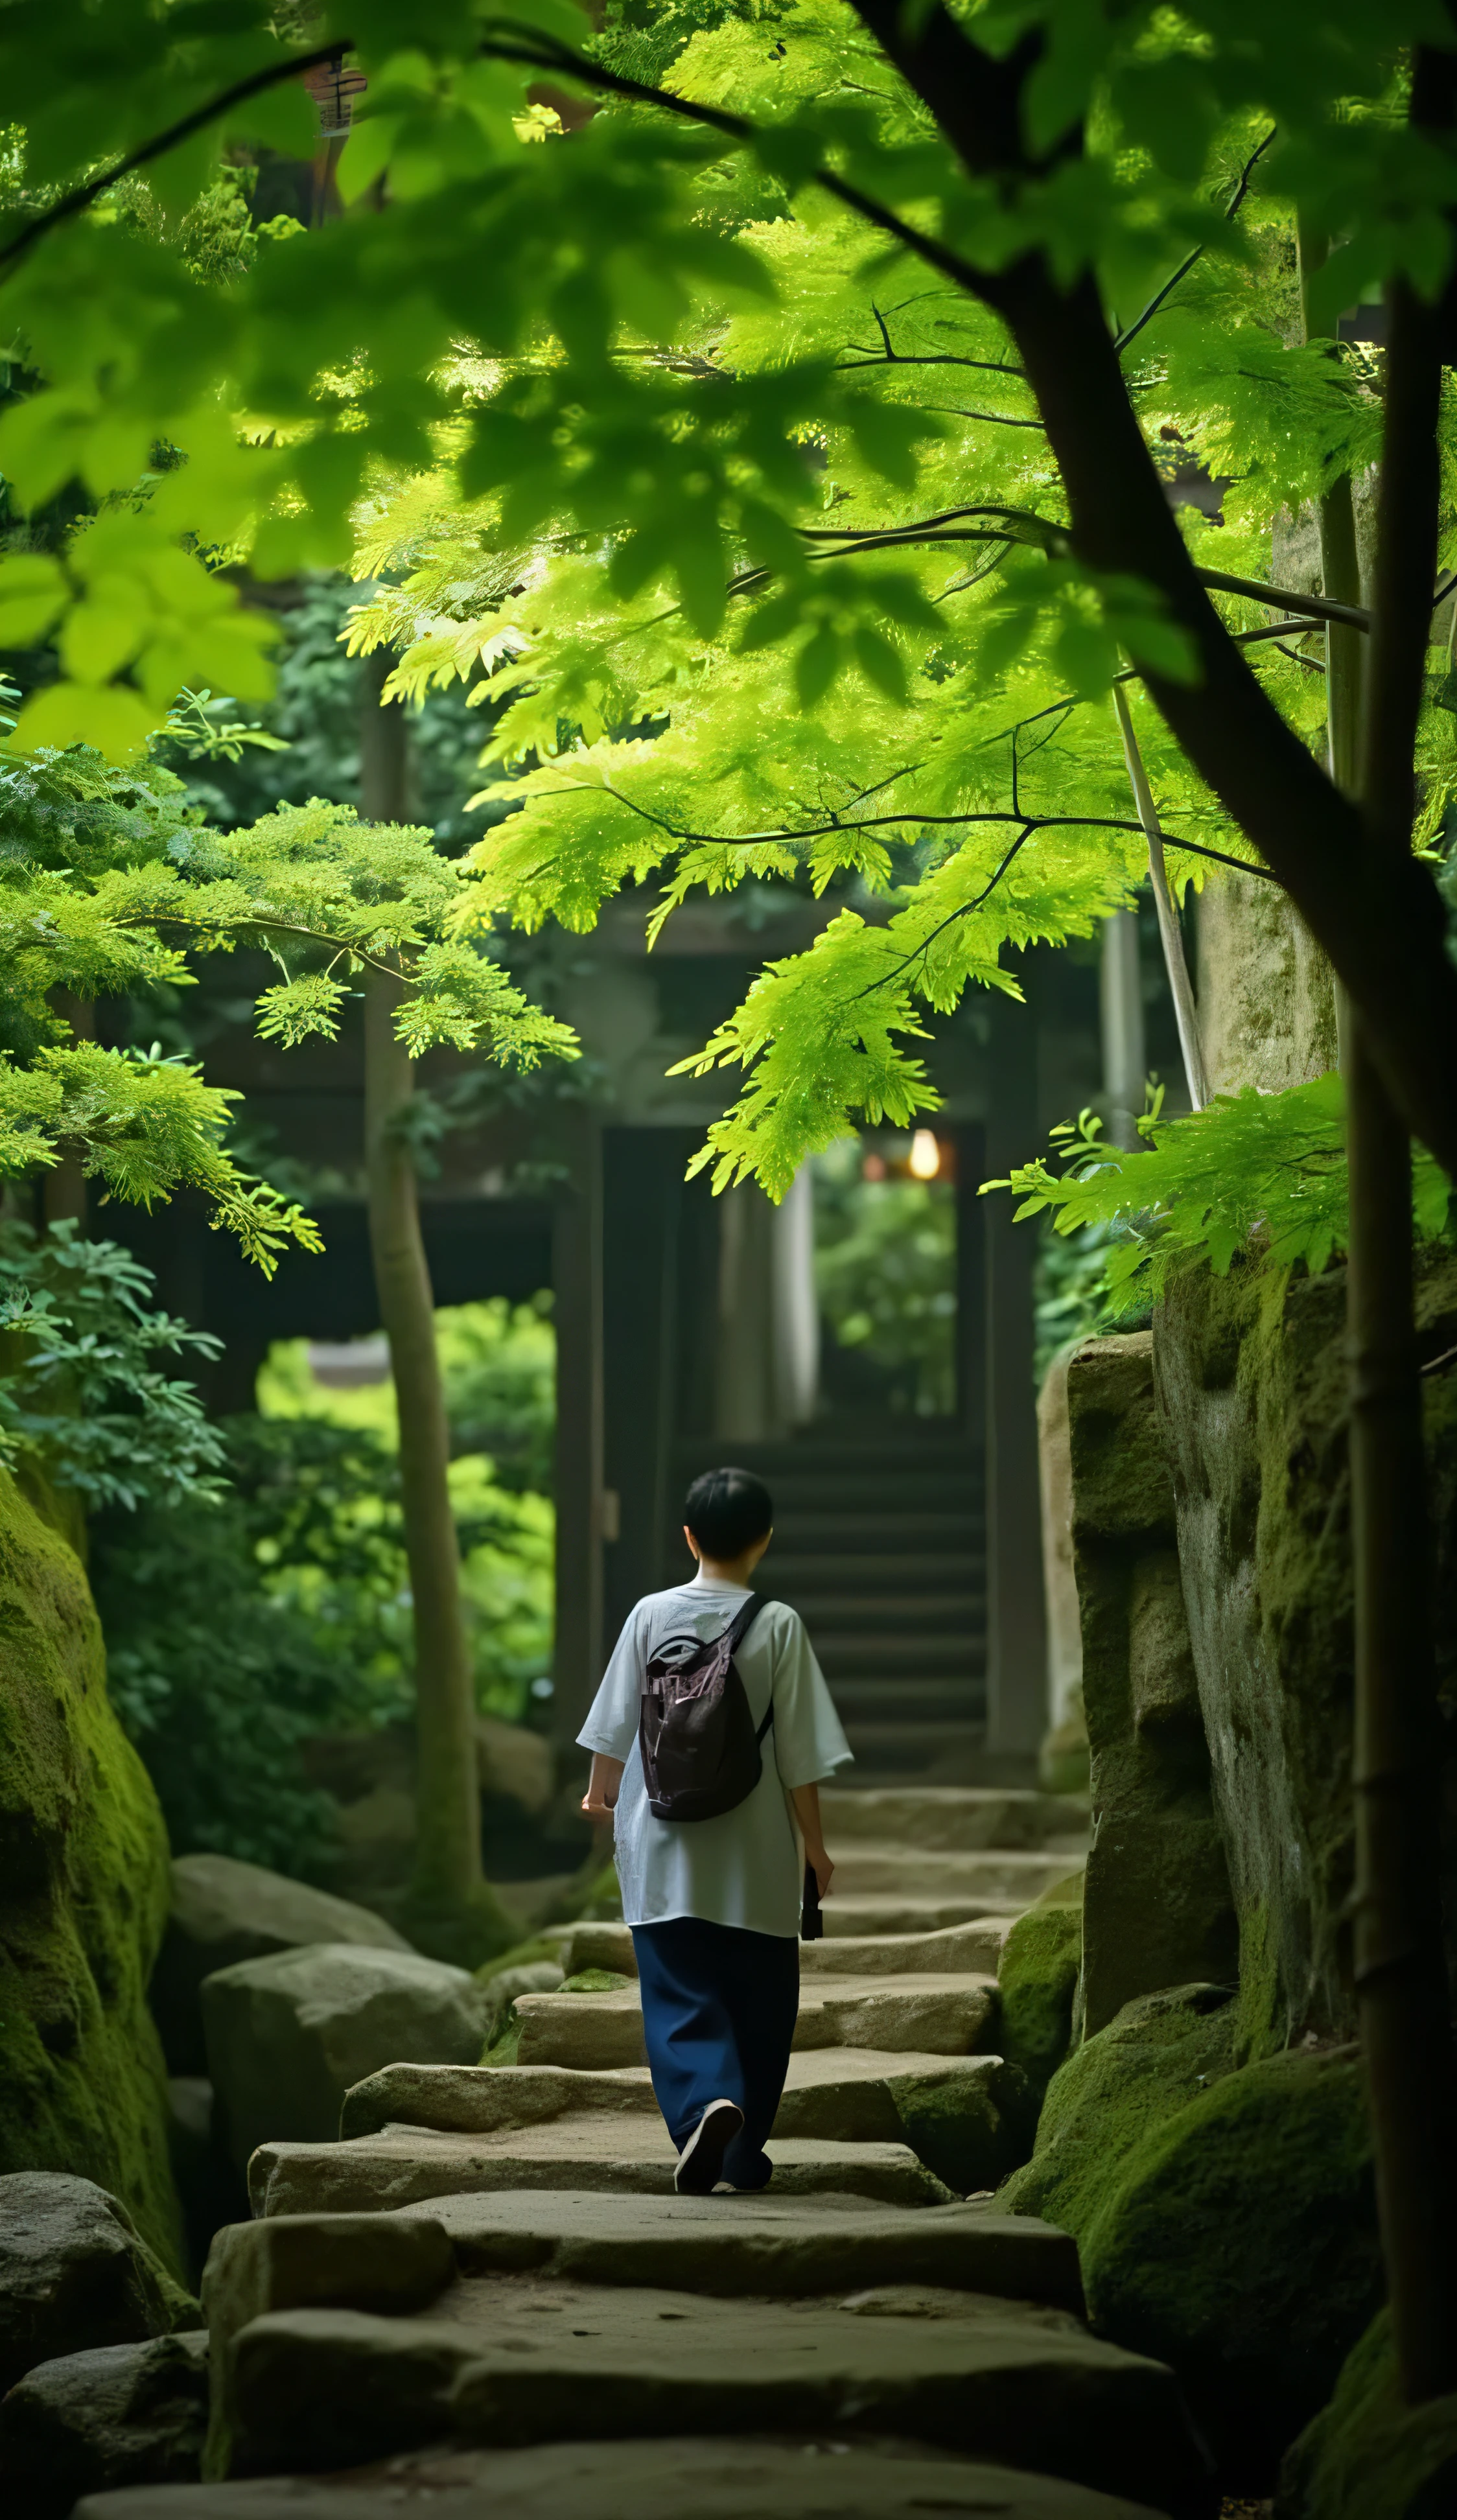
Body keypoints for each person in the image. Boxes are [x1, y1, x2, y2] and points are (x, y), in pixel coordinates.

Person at [579, 1464, 851, 2196]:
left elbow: (613, 1722)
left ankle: (705, 2106)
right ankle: (742, 2149)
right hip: (753, 1853)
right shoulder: (779, 1623)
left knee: (677, 1990)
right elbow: (800, 1755)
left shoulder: (649, 1615)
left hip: (662, 1843)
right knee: (762, 2002)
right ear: (764, 1539)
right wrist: (815, 1848)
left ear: (689, 1537)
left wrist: (600, 1793)